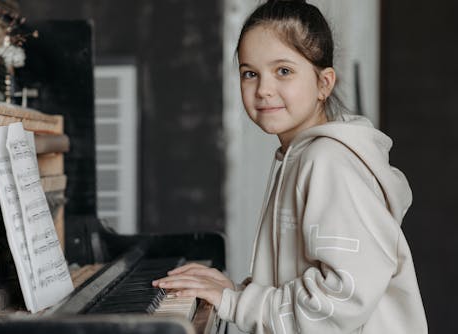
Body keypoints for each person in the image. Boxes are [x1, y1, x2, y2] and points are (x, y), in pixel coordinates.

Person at [152, 0, 428, 333]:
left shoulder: (327, 161)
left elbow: (342, 299)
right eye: (250, 73)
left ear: (324, 84)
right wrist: (237, 291)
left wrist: (237, 303)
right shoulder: (298, 155)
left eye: (283, 71)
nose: (264, 89)